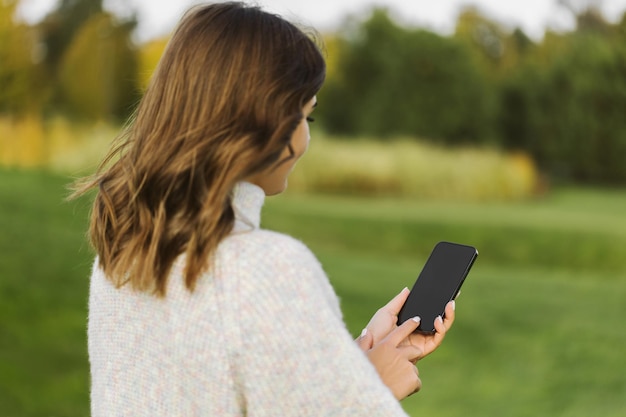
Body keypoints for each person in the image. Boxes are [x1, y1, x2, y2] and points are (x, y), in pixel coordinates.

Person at [72, 2, 456, 416]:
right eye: (304, 116)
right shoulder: (265, 270)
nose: (305, 137)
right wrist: (374, 391)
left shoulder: (123, 256)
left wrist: (352, 361)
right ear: (267, 121)